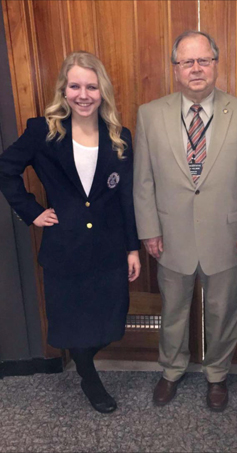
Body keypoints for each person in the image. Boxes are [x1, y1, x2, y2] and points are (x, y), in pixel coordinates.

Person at [0, 51, 141, 414]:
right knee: (74, 323)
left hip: (109, 248)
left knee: (110, 322)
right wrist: (31, 212)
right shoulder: (42, 131)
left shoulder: (119, 136)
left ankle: (85, 361)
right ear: (64, 90)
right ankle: (89, 376)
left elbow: (126, 197)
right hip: (66, 247)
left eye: (91, 86)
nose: (83, 94)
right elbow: (6, 170)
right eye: (75, 86)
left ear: (102, 91)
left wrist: (132, 248)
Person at [134, 30, 237, 411]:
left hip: (227, 236)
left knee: (223, 311)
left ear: (216, 64)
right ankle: (172, 370)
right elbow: (143, 180)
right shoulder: (150, 113)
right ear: (175, 68)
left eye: (203, 60)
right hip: (169, 236)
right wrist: (149, 230)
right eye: (187, 62)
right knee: (173, 309)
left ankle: (217, 375)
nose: (196, 69)